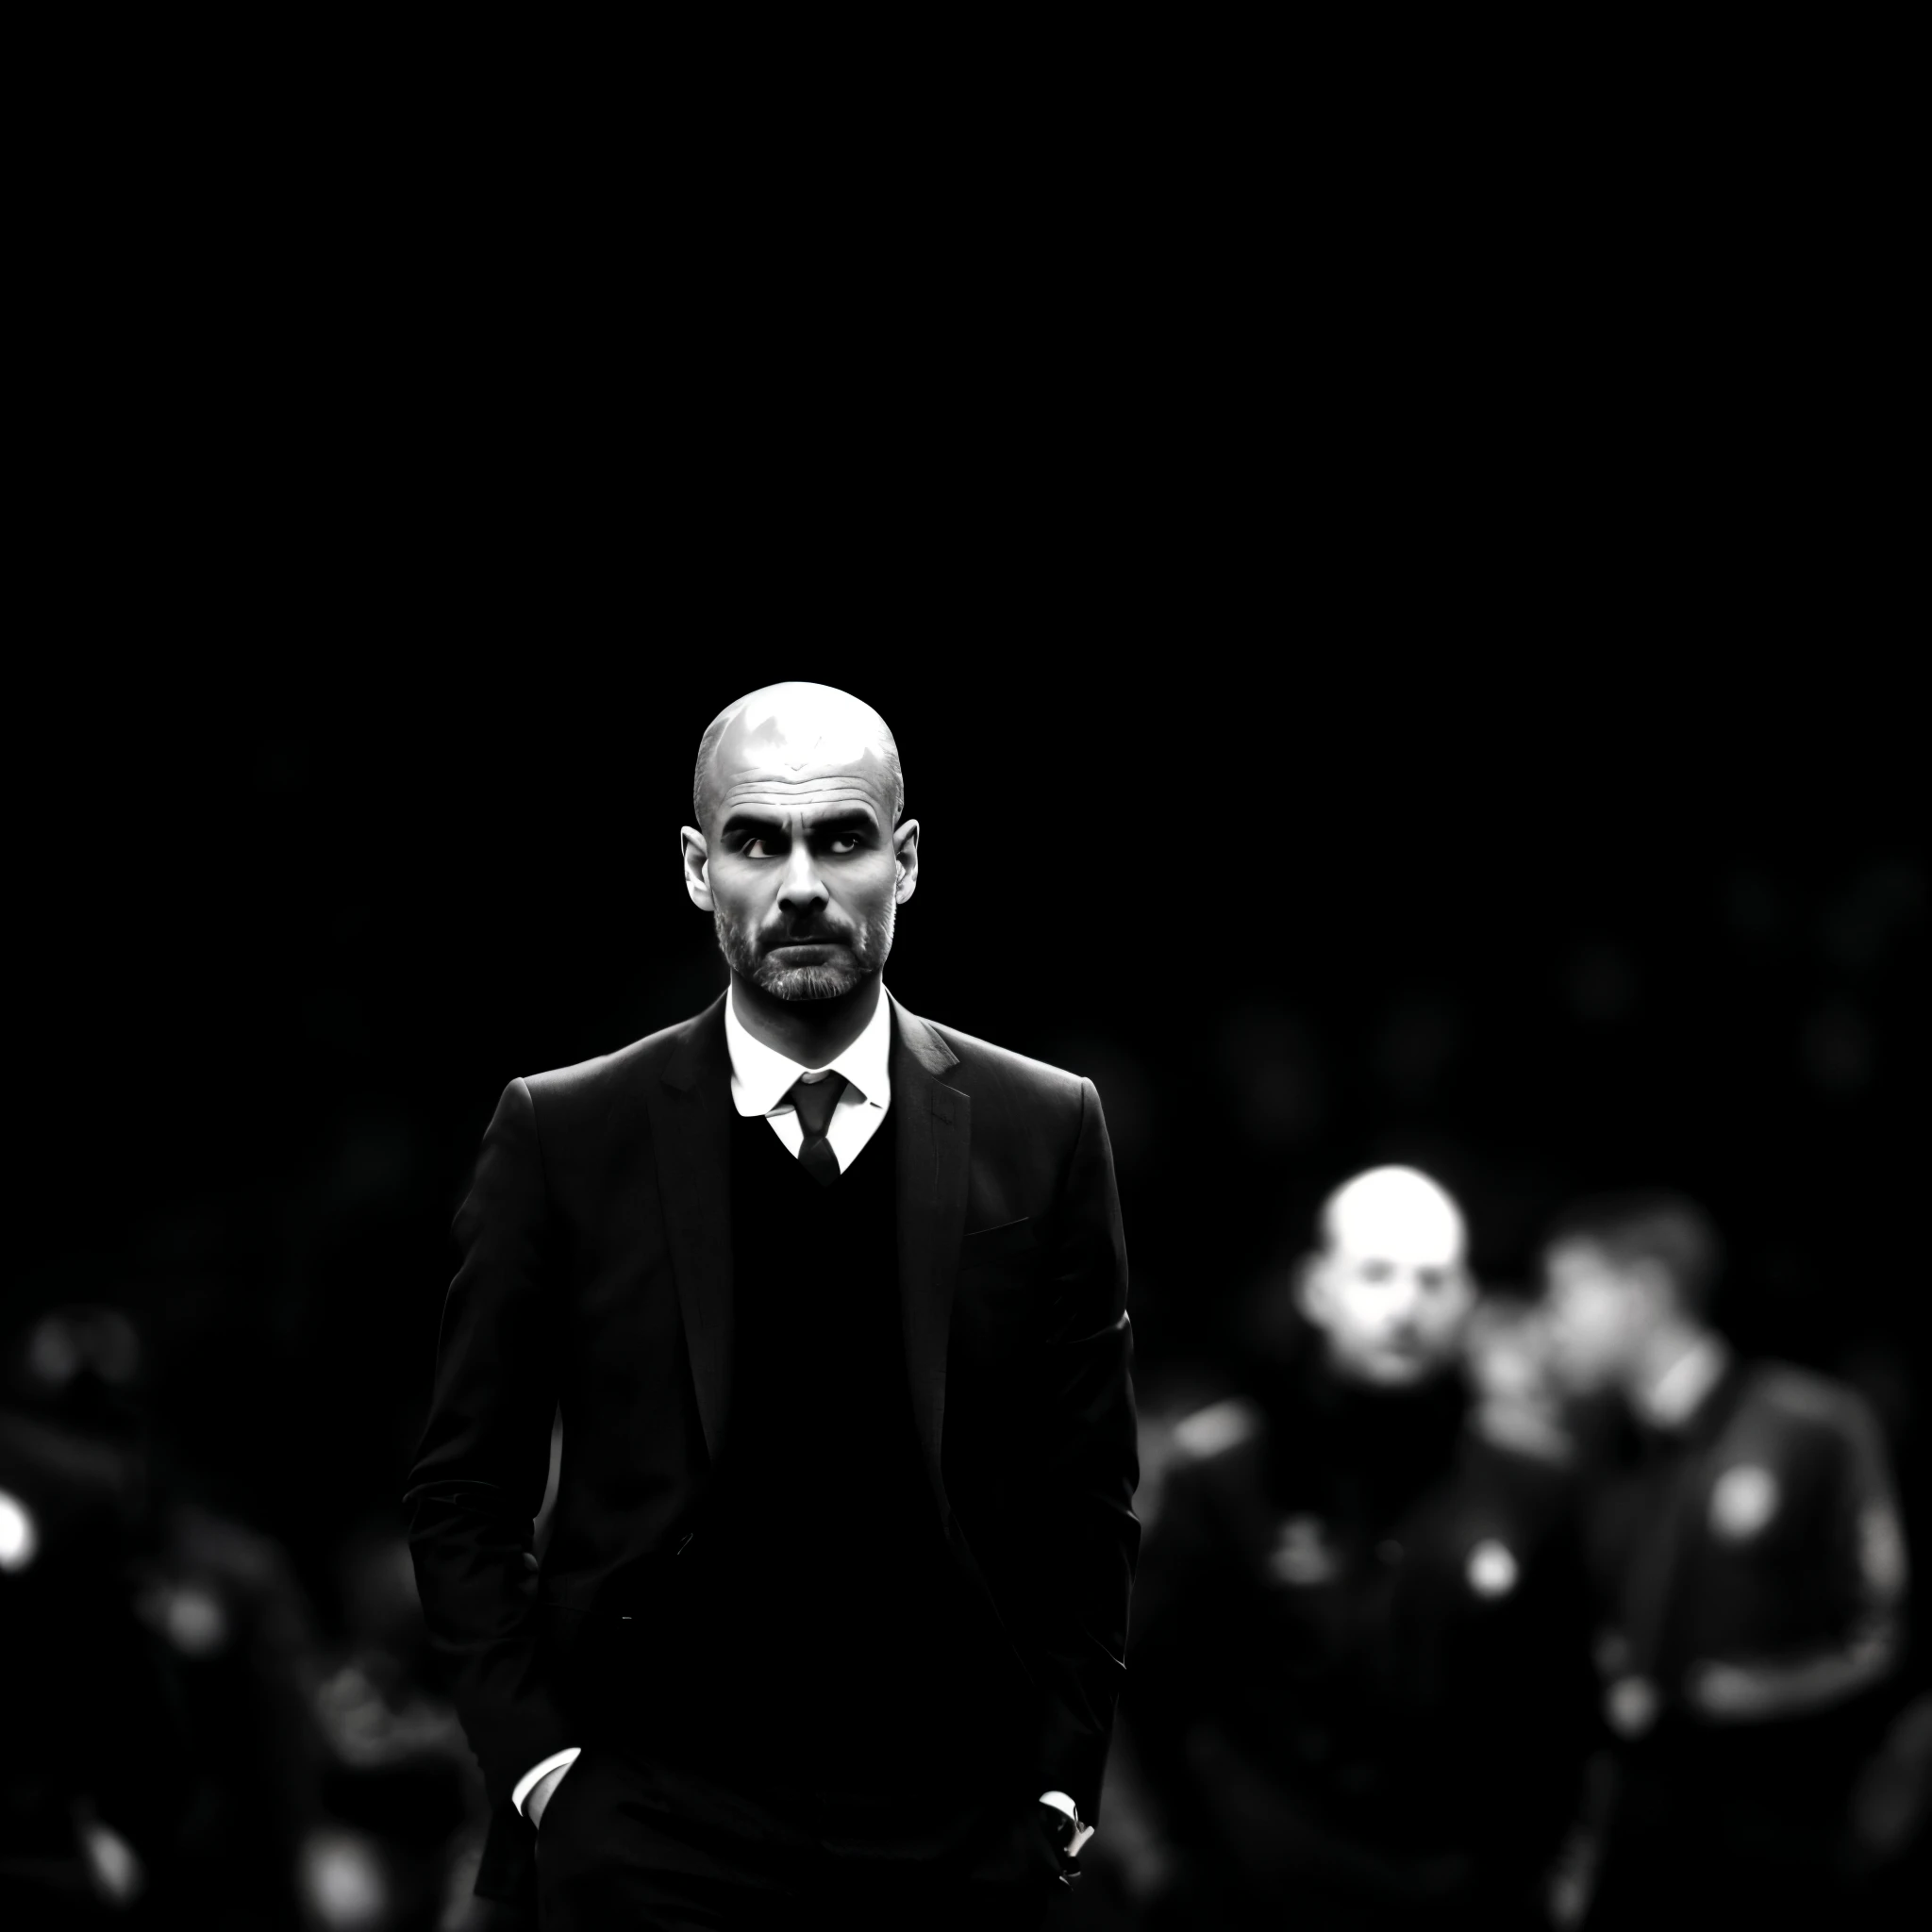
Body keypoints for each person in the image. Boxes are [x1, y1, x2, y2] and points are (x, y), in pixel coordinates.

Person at [405, 682, 1140, 1929]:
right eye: (758, 841)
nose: (801, 882)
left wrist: (1060, 1778)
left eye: (841, 837)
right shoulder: (566, 1133)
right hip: (652, 1824)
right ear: (700, 870)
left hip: (956, 1824)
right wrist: (543, 1773)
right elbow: (462, 1488)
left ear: (905, 861)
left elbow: (1089, 1491)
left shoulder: (1046, 1125)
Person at [1125, 1167, 1596, 1929]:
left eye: (1433, 1279)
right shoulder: (1225, 1475)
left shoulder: (1535, 1483)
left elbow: (1571, 1716)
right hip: (1258, 1906)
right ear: (1317, 1289)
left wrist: (1548, 1884)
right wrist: (1162, 1873)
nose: (1406, 1306)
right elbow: (1135, 1693)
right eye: (1377, 1274)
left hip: (1471, 1907)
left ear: (1467, 1299)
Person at [1539, 1191, 1910, 1925]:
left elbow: (1883, 1639)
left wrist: (1746, 1699)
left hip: (1775, 1856)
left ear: (1642, 1294)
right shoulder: (1583, 1445)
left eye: (1568, 1293)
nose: (1554, 1324)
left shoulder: (1814, 1428)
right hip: (1624, 1857)